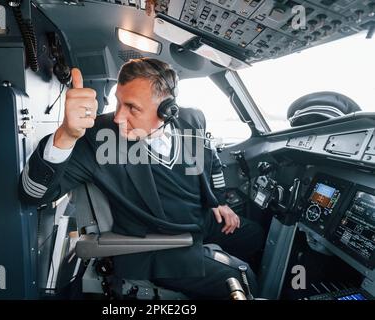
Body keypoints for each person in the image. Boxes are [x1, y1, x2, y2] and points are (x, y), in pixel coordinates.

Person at [19, 58, 264, 299]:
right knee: (244, 281)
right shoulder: (98, 137)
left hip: (202, 221)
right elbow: (32, 194)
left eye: (132, 107)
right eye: (118, 103)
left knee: (257, 237)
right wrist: (65, 134)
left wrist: (217, 201)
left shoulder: (191, 119)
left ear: (167, 109)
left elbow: (210, 162)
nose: (118, 117)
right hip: (160, 246)